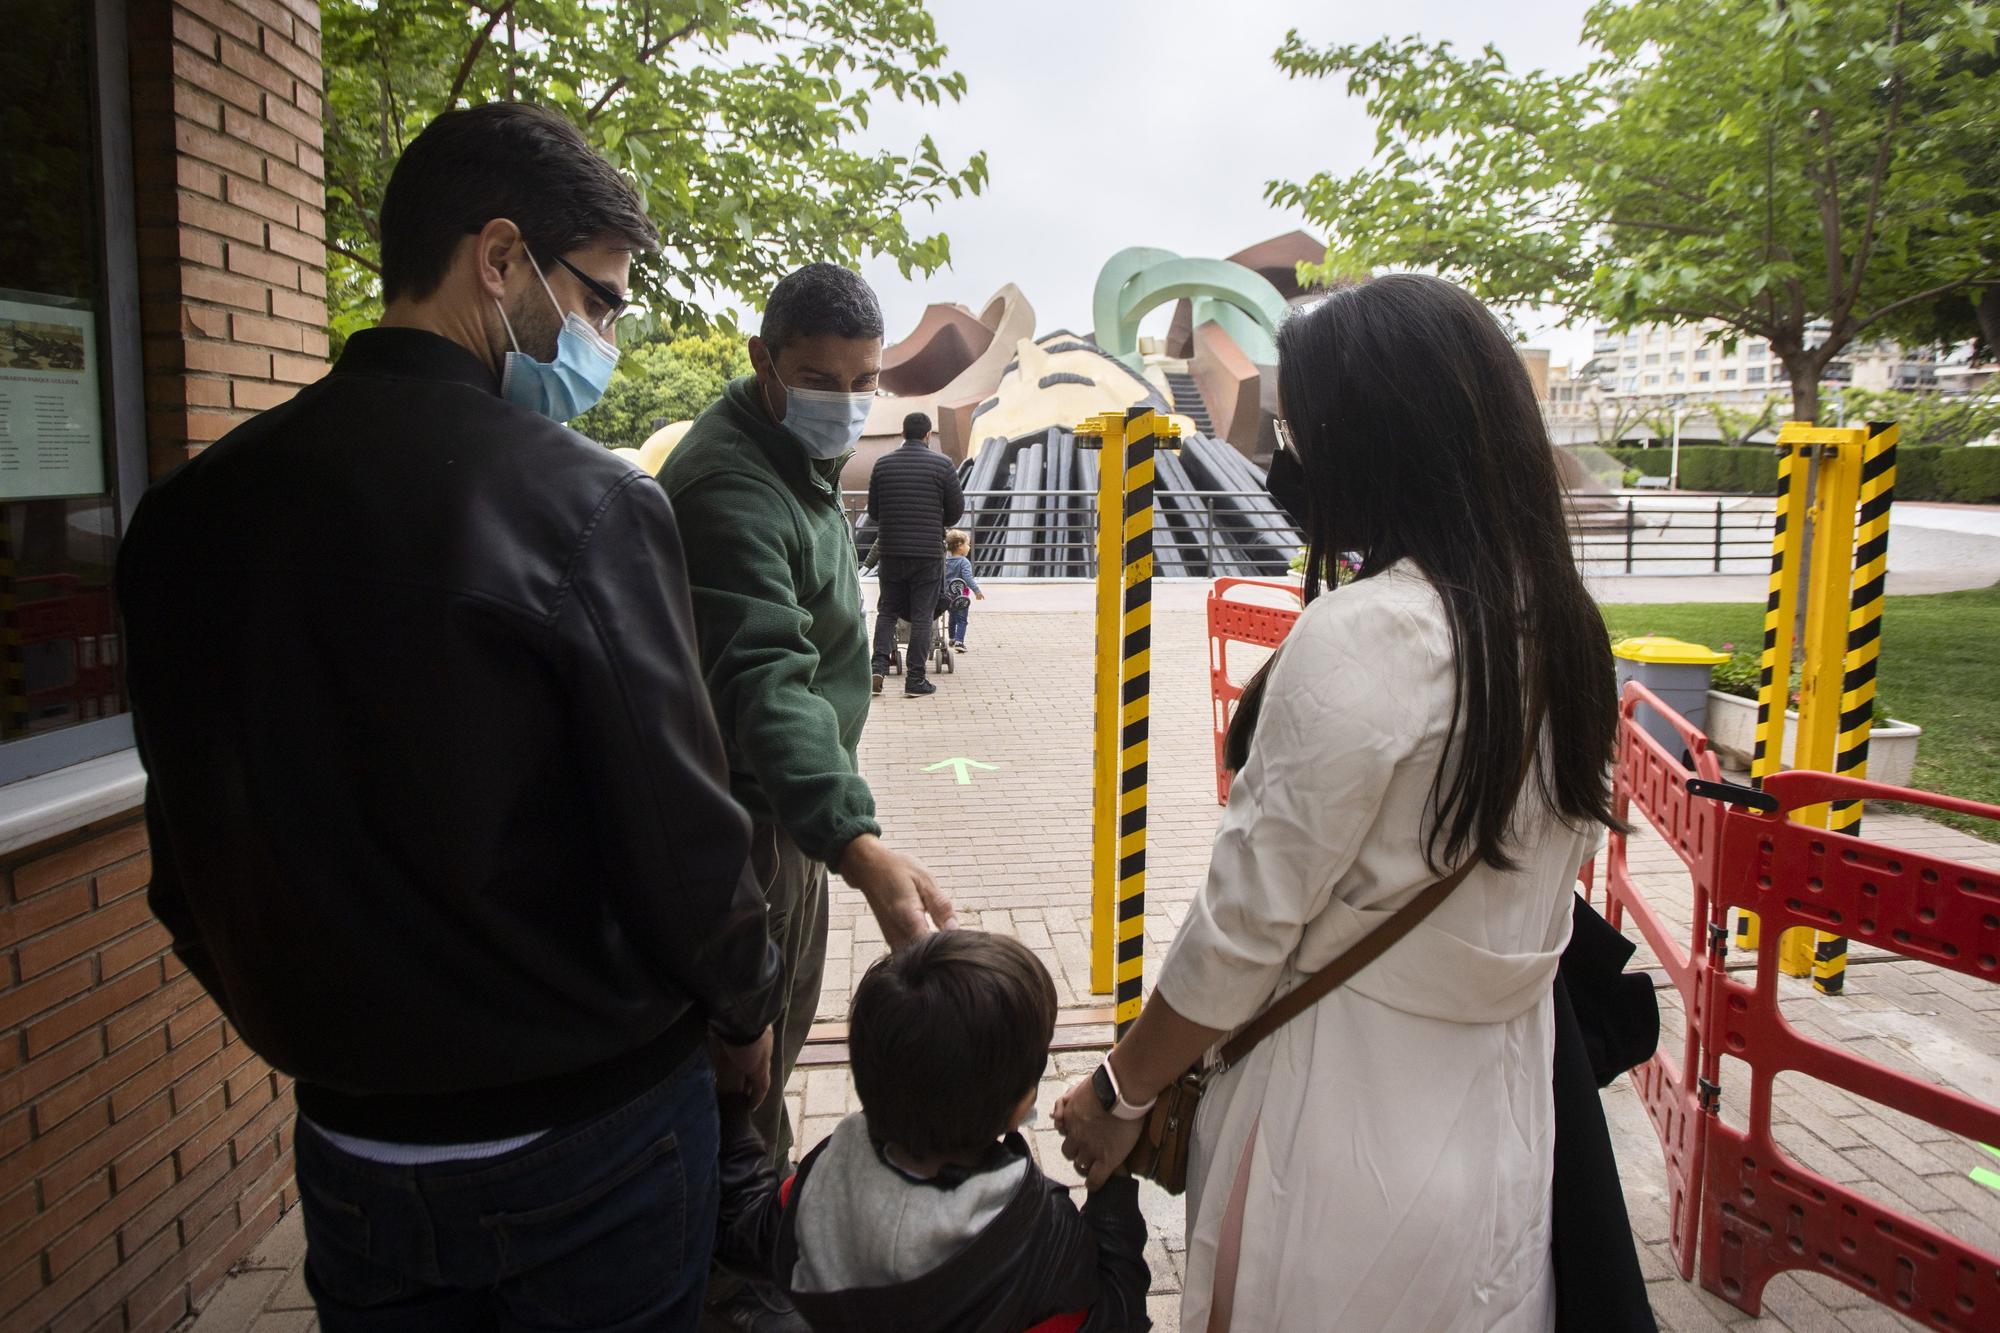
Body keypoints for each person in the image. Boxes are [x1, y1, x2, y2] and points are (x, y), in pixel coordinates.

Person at [116, 103, 782, 1329]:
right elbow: (683, 843)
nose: (603, 337)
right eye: (599, 300)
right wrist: (744, 1006)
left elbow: (184, 862)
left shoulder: (187, 517)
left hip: (351, 1149)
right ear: (497, 259)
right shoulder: (581, 504)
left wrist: (324, 1036)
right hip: (594, 1137)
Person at [1053, 274, 1633, 1330]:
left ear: (1375, 440)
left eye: (1297, 430)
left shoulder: (1368, 633)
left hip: (1337, 1133)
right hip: (1502, 1123)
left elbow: (1241, 931)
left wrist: (1119, 1091)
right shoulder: (1558, 624)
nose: (1284, 459)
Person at [660, 266, 957, 1275]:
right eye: (817, 377)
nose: (845, 401)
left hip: (789, 818)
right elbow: (763, 680)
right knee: (736, 1082)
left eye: (863, 380)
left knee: (764, 1057)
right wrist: (856, 843)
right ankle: (733, 1273)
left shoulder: (797, 463)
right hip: (749, 827)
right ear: (762, 362)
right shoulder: (730, 485)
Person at [713, 932, 1152, 1332]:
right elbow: (1116, 1315)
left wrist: (732, 1105)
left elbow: (745, 1227)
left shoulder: (824, 1181)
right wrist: (1109, 1183)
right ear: (1022, 1106)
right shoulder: (1042, 1235)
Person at [865, 411, 964, 696]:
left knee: (887, 610)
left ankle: (878, 668)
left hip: (892, 550)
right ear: (928, 435)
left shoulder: (883, 465)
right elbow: (956, 512)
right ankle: (916, 680)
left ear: (902, 434)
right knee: (923, 615)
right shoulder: (943, 465)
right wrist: (933, 516)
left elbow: (873, 512)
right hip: (927, 554)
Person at [943, 528, 985, 652]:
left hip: (946, 595)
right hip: (961, 597)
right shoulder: (964, 562)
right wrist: (977, 591)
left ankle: (951, 638)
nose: (969, 547)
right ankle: (959, 641)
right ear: (959, 545)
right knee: (962, 619)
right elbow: (968, 578)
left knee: (952, 617)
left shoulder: (945, 561)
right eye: (967, 544)